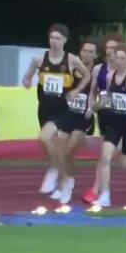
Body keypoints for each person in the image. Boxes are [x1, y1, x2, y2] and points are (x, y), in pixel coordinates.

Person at [80, 44, 126, 208]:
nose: (118, 61)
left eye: (122, 58)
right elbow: (109, 96)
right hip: (114, 123)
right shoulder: (110, 76)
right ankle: (105, 195)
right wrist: (97, 106)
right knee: (105, 157)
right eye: (116, 57)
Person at [22, 23, 91, 196]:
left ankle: (54, 171)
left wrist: (76, 90)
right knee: (54, 145)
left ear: (65, 40)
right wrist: (27, 81)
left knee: (44, 137)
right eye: (52, 38)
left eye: (58, 38)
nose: (54, 41)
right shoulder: (39, 59)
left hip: (63, 109)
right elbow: (27, 76)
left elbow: (87, 76)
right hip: (45, 108)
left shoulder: (72, 60)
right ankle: (64, 179)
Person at [47, 37, 100, 204]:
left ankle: (68, 184)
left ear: (96, 55)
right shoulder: (72, 67)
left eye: (91, 52)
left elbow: (96, 93)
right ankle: (65, 182)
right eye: (84, 50)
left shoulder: (96, 72)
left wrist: (91, 109)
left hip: (83, 117)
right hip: (68, 114)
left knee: (69, 151)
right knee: (61, 150)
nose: (87, 54)